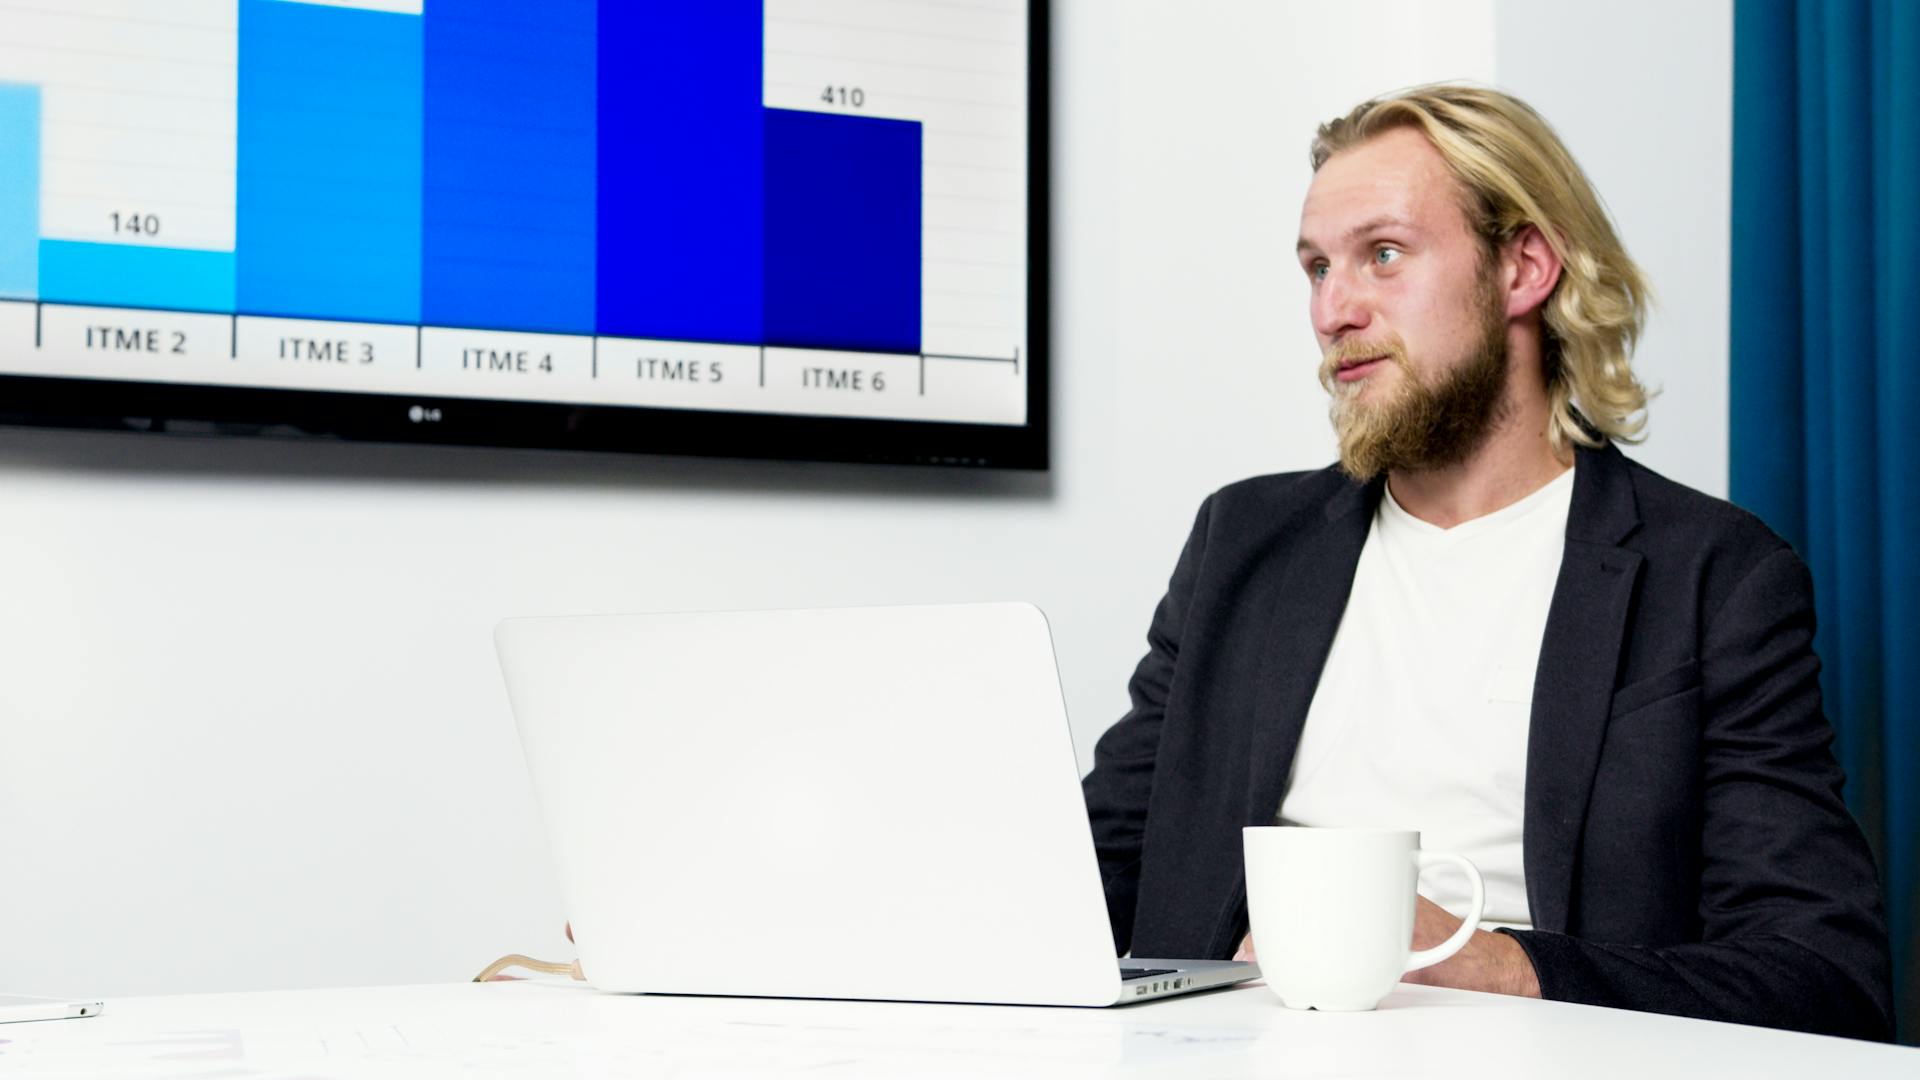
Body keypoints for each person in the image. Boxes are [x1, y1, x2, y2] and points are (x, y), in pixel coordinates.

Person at [1079, 84, 1893, 1040]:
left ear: (1524, 269)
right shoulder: (1242, 543)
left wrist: (1496, 964)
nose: (1333, 309)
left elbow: (1823, 977)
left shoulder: (1714, 579)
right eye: (1315, 267)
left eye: (1382, 255)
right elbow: (1092, 872)